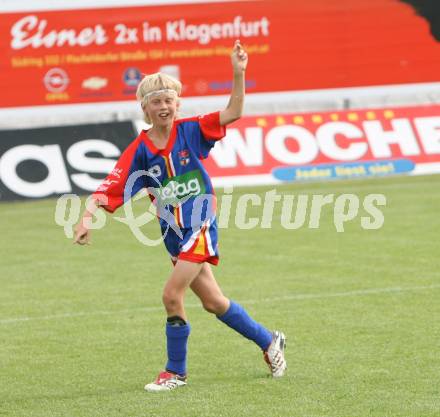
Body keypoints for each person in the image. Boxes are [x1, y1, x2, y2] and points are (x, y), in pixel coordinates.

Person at [73, 40, 287, 392]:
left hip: (200, 224)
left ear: (177, 104)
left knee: (172, 296)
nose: (164, 106)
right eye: (156, 101)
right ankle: (269, 341)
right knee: (214, 303)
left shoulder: (192, 130)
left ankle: (175, 372)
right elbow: (111, 185)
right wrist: (86, 217)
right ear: (145, 108)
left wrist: (238, 71)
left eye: (169, 100)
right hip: (173, 233)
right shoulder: (140, 150)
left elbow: (232, 112)